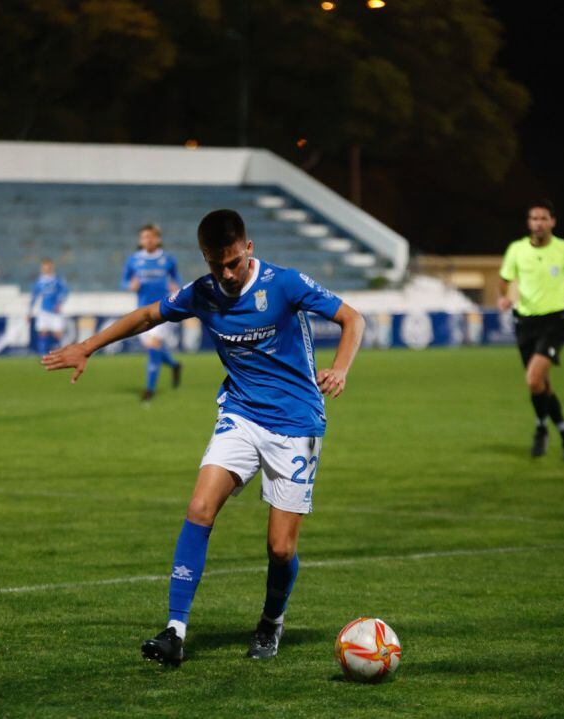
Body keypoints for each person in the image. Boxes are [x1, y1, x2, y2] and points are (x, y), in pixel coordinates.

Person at [44, 209, 365, 666]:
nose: (228, 273)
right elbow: (146, 316)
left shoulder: (285, 283)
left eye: (234, 262)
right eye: (218, 265)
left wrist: (341, 369)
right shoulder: (202, 293)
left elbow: (353, 319)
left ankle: (272, 621)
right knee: (199, 507)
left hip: (297, 422)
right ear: (206, 259)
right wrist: (86, 347)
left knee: (280, 547)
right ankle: (175, 631)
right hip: (240, 413)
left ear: (248, 249)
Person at [497, 200, 564, 460]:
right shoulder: (517, 250)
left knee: (533, 379)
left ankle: (543, 430)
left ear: (552, 221)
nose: (538, 223)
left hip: (554, 322)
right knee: (540, 384)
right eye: (534, 219)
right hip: (525, 322)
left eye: (543, 218)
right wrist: (504, 297)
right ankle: (563, 432)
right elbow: (503, 281)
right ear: (529, 223)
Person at [121, 224, 182, 401]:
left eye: (150, 237)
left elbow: (177, 279)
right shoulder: (133, 260)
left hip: (163, 309)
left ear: (158, 239)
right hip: (142, 310)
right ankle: (174, 365)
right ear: (140, 240)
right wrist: (129, 286)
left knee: (154, 346)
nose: (147, 240)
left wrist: (175, 286)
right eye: (144, 237)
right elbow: (123, 282)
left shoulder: (168, 259)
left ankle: (149, 390)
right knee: (153, 348)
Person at [28, 259, 69, 355]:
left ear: (52, 267)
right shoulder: (39, 281)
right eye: (44, 267)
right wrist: (29, 312)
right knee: (42, 332)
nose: (46, 269)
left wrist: (59, 303)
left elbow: (65, 292)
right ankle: (43, 356)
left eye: (48, 266)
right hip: (43, 310)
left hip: (55, 311)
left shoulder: (57, 280)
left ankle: (63, 355)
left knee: (58, 334)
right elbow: (34, 296)